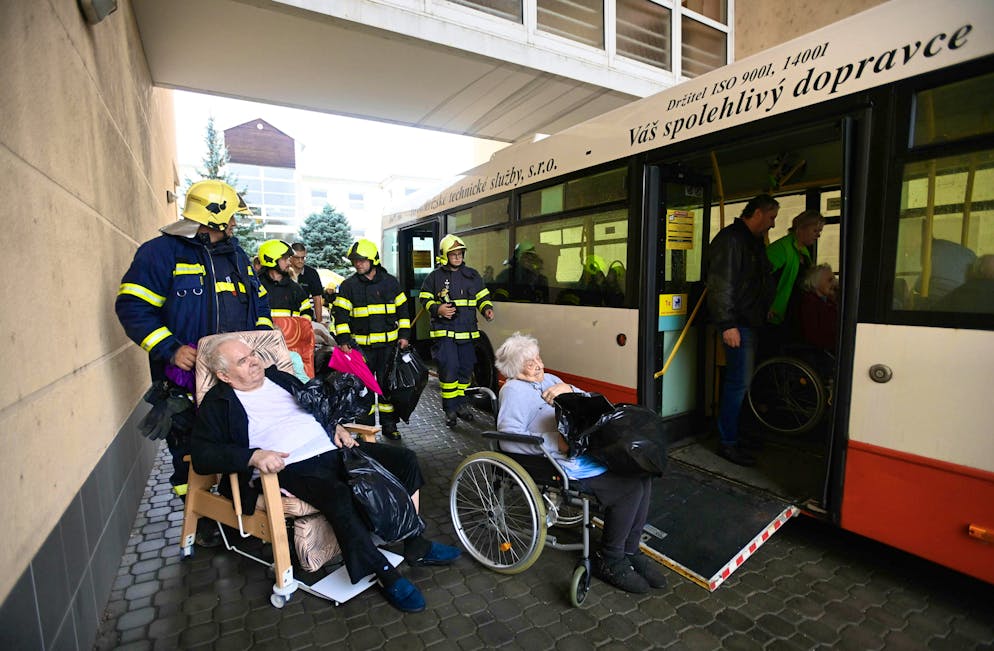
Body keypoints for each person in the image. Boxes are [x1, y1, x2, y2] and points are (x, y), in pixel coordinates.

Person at [191, 334, 461, 613]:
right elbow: (201, 456)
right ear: (224, 375)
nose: (254, 362)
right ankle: (384, 573)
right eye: (243, 361)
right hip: (292, 465)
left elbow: (317, 406)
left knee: (404, 459)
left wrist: (335, 426)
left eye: (253, 355)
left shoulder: (280, 379)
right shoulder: (219, 402)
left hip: (332, 448)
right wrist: (253, 456)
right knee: (339, 493)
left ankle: (415, 543)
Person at [115, 179, 273, 542]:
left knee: (237, 442)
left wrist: (258, 342)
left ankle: (239, 511)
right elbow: (132, 308)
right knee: (190, 452)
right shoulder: (159, 254)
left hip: (234, 378)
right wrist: (170, 347)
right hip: (185, 380)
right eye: (231, 217)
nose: (235, 224)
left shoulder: (237, 255)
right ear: (213, 217)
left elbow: (259, 303)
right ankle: (199, 523)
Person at [493, 333, 666, 594]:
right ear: (516, 368)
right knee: (626, 488)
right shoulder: (513, 391)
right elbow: (508, 438)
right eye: (530, 362)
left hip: (581, 448)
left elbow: (590, 403)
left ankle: (630, 549)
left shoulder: (550, 379)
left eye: (538, 357)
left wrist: (569, 389)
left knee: (641, 472)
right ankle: (610, 557)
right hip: (552, 460)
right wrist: (555, 442)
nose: (539, 364)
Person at [706, 194, 778, 466]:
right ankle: (728, 442)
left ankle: (737, 433)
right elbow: (720, 285)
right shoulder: (732, 240)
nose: (772, 225)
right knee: (738, 383)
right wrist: (727, 324)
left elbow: (755, 282)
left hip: (751, 320)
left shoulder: (751, 241)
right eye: (771, 218)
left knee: (743, 383)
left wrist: (764, 308)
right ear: (758, 213)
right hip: (738, 324)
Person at [333, 239, 410, 440]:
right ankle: (364, 429)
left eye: (362, 260)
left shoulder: (391, 283)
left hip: (388, 347)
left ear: (373, 260)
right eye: (355, 261)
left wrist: (404, 336)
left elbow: (403, 311)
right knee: (363, 391)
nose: (358, 264)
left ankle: (389, 426)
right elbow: (340, 315)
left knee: (387, 388)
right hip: (361, 349)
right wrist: (343, 339)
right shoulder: (348, 286)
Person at [419, 234, 494, 427]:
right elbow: (425, 299)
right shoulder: (434, 277)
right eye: (454, 254)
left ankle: (461, 405)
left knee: (465, 371)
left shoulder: (473, 275)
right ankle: (450, 410)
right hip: (445, 335)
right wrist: (438, 309)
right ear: (444, 255)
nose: (458, 257)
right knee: (449, 371)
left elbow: (482, 297)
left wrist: (486, 309)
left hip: (468, 334)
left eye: (460, 253)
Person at [766, 209, 825, 334]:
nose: (818, 235)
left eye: (820, 231)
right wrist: (764, 306)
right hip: (774, 315)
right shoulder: (781, 248)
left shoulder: (804, 251)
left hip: (793, 314)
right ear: (801, 228)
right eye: (815, 230)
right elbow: (758, 277)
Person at [257, 240, 314, 319]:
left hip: (291, 331)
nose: (289, 263)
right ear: (271, 260)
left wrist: (302, 324)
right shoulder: (256, 287)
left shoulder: (295, 289)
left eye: (288, 258)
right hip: (262, 331)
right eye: (284, 258)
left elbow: (307, 312)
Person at [798, 263, 839, 351]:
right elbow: (813, 336)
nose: (834, 283)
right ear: (816, 283)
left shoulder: (829, 300)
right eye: (830, 280)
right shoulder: (809, 304)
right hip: (820, 352)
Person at [290, 242, 325, 322]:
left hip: (306, 316)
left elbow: (317, 298)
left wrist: (319, 322)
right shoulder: (284, 272)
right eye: (297, 258)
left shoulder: (311, 273)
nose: (300, 261)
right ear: (290, 258)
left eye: (303, 258)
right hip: (287, 317)